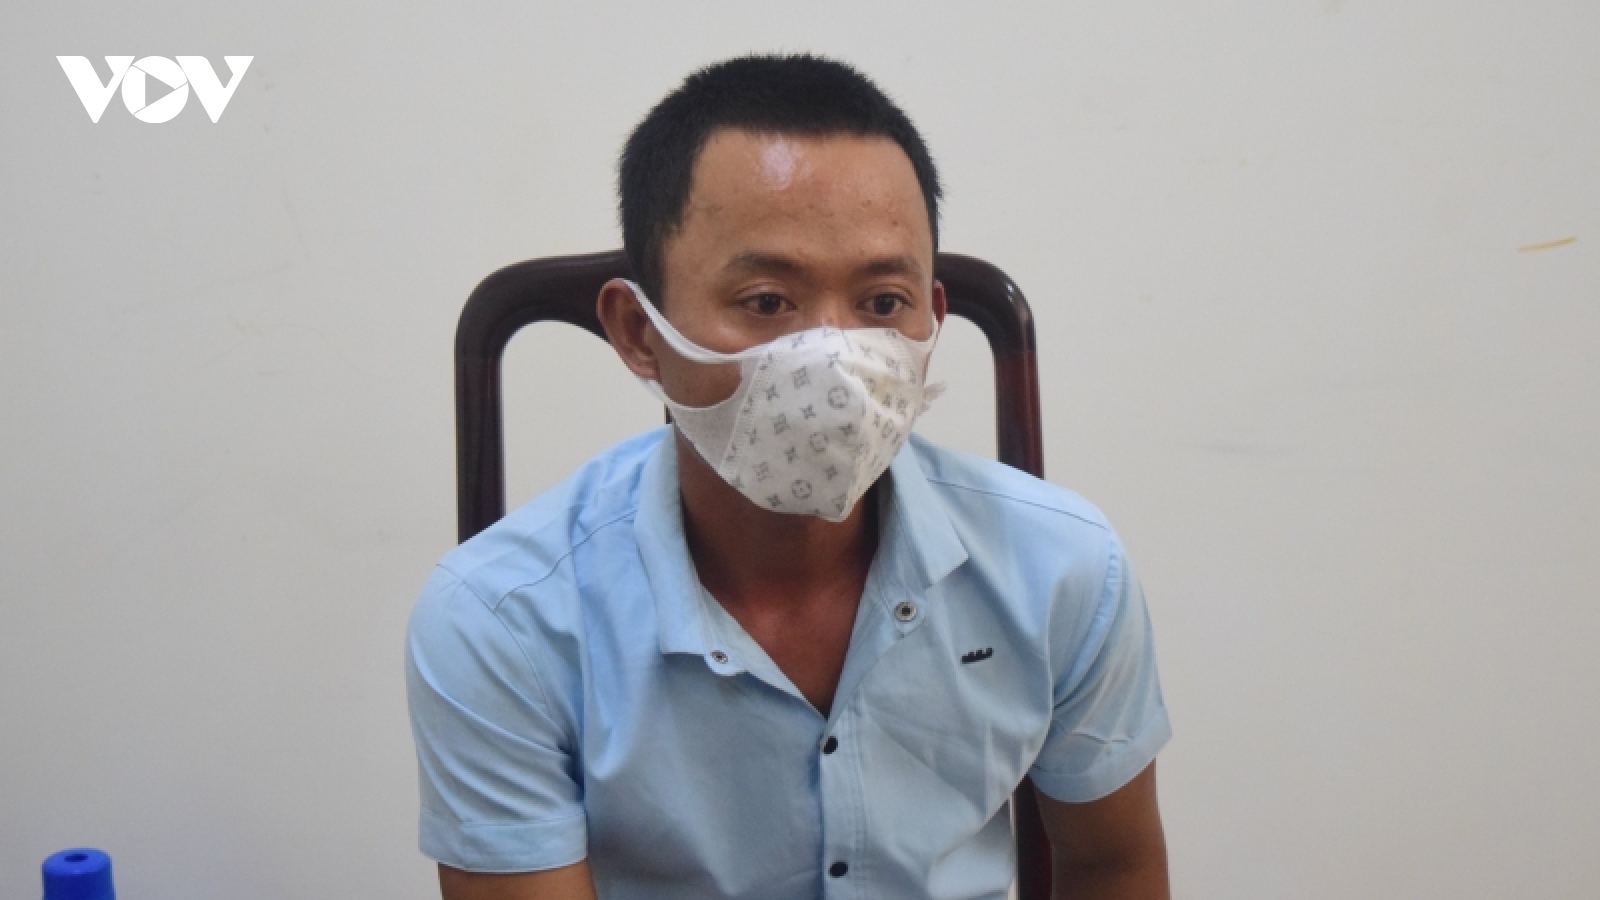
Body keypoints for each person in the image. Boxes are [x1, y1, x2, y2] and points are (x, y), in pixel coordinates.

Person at [406, 54, 1172, 900]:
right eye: (768, 301)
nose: (834, 359)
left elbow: (1112, 864)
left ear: (932, 319)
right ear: (639, 331)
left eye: (883, 303)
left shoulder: (1062, 568)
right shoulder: (504, 621)